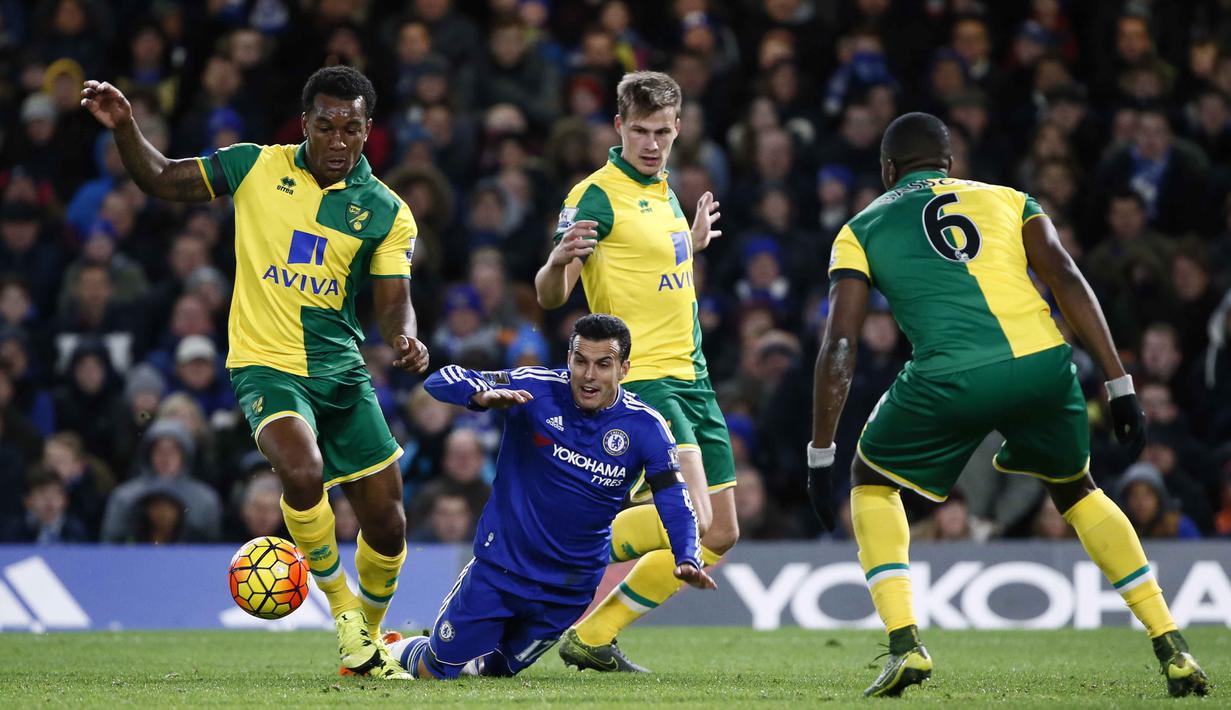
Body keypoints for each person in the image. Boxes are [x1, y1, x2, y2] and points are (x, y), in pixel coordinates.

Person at [808, 112, 1209, 698]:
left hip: (950, 375)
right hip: (1044, 364)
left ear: (888, 170)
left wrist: (822, 452)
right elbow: (1066, 276)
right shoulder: (1010, 200)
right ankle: (1171, 642)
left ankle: (904, 644)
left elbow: (841, 341)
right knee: (1079, 491)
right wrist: (1119, 382)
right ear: (949, 164)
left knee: (871, 478)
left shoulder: (860, 228)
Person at [81, 66, 430, 680]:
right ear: (306, 125)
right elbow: (162, 177)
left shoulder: (386, 211)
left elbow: (393, 295)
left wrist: (405, 335)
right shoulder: (256, 166)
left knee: (388, 522)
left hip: (340, 373)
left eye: (352, 128)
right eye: (327, 126)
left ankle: (366, 641)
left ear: (368, 130)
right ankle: (344, 611)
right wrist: (127, 126)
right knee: (302, 469)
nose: (340, 140)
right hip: (265, 364)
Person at [534, 70, 736, 673]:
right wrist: (557, 260)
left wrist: (691, 242)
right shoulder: (594, 195)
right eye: (641, 131)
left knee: (720, 532)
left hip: (694, 377)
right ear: (618, 126)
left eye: (665, 133)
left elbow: (650, 261)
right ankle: (553, 550)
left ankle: (593, 637)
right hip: (645, 380)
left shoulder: (668, 191)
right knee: (693, 521)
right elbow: (551, 295)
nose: (652, 144)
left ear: (678, 131)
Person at [387, 314, 713, 680]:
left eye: (603, 364)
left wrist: (687, 554)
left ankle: (466, 655)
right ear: (569, 359)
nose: (589, 375)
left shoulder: (647, 427)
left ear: (624, 368)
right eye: (580, 361)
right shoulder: (534, 389)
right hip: (501, 569)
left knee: (494, 672)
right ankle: (390, 649)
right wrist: (476, 394)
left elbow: (674, 498)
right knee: (437, 671)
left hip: (568, 589)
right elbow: (439, 380)